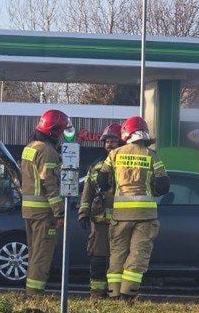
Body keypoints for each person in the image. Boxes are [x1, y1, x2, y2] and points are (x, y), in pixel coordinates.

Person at [98, 116, 169, 300]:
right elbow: (163, 186)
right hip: (145, 216)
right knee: (138, 253)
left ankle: (113, 293)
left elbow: (102, 182)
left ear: (126, 133)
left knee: (117, 253)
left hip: (120, 215)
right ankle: (128, 294)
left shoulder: (115, 154)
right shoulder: (151, 155)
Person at [19, 109, 69, 294]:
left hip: (29, 211)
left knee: (33, 252)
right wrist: (60, 212)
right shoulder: (47, 152)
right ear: (54, 131)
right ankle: (35, 294)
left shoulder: (29, 148)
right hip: (44, 213)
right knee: (42, 254)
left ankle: (30, 290)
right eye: (61, 131)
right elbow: (50, 183)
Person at [78, 124, 123, 299]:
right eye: (107, 141)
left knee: (117, 258)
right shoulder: (96, 166)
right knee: (98, 257)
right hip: (99, 220)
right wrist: (83, 213)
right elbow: (87, 191)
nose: (109, 144)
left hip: (120, 220)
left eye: (113, 141)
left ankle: (115, 293)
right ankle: (97, 293)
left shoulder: (124, 165)